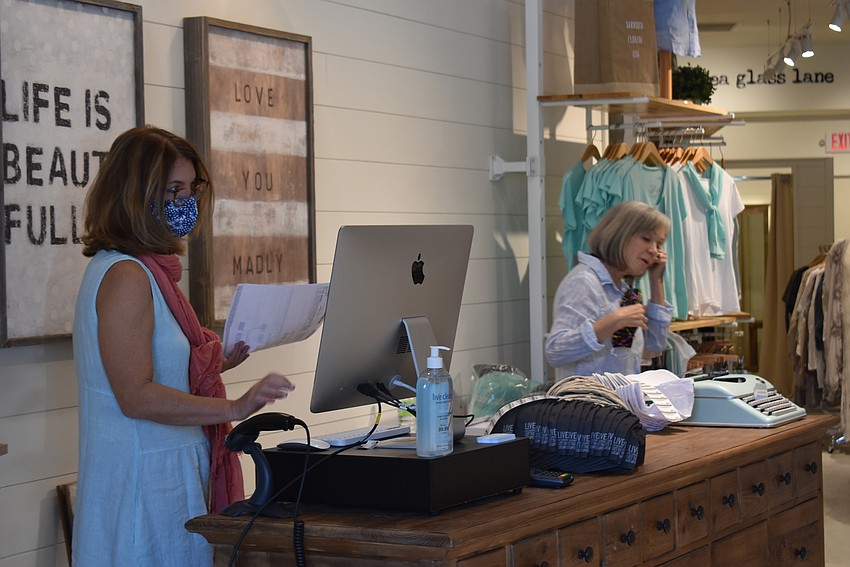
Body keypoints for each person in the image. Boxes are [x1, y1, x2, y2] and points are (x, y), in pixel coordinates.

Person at [72, 125, 295, 566]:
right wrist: (234, 408)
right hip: (142, 487)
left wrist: (219, 365)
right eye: (173, 191)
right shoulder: (127, 276)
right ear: (135, 195)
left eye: (190, 190)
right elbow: (135, 395)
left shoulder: (146, 270)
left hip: (164, 480)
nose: (186, 204)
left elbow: (156, 369)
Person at [545, 200, 673, 380]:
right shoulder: (584, 281)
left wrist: (656, 279)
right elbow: (556, 351)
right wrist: (613, 322)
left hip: (616, 403)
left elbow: (655, 346)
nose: (654, 251)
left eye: (659, 244)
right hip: (586, 404)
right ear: (621, 235)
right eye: (646, 239)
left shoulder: (622, 289)